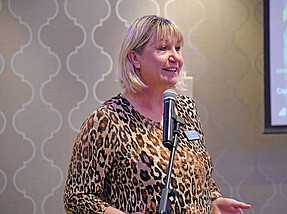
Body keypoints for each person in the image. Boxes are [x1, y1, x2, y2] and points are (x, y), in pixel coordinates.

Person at [63, 15, 251, 214]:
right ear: (135, 58)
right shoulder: (107, 120)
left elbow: (197, 173)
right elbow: (77, 198)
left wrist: (214, 200)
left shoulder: (185, 109)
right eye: (163, 48)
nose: (175, 57)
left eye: (177, 48)